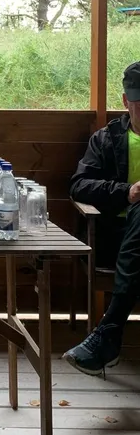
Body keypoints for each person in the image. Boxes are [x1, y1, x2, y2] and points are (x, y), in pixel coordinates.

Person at [63, 61, 140, 376]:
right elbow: (79, 185)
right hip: (115, 236)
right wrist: (127, 192)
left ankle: (107, 335)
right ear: (125, 102)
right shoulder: (107, 139)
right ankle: (109, 334)